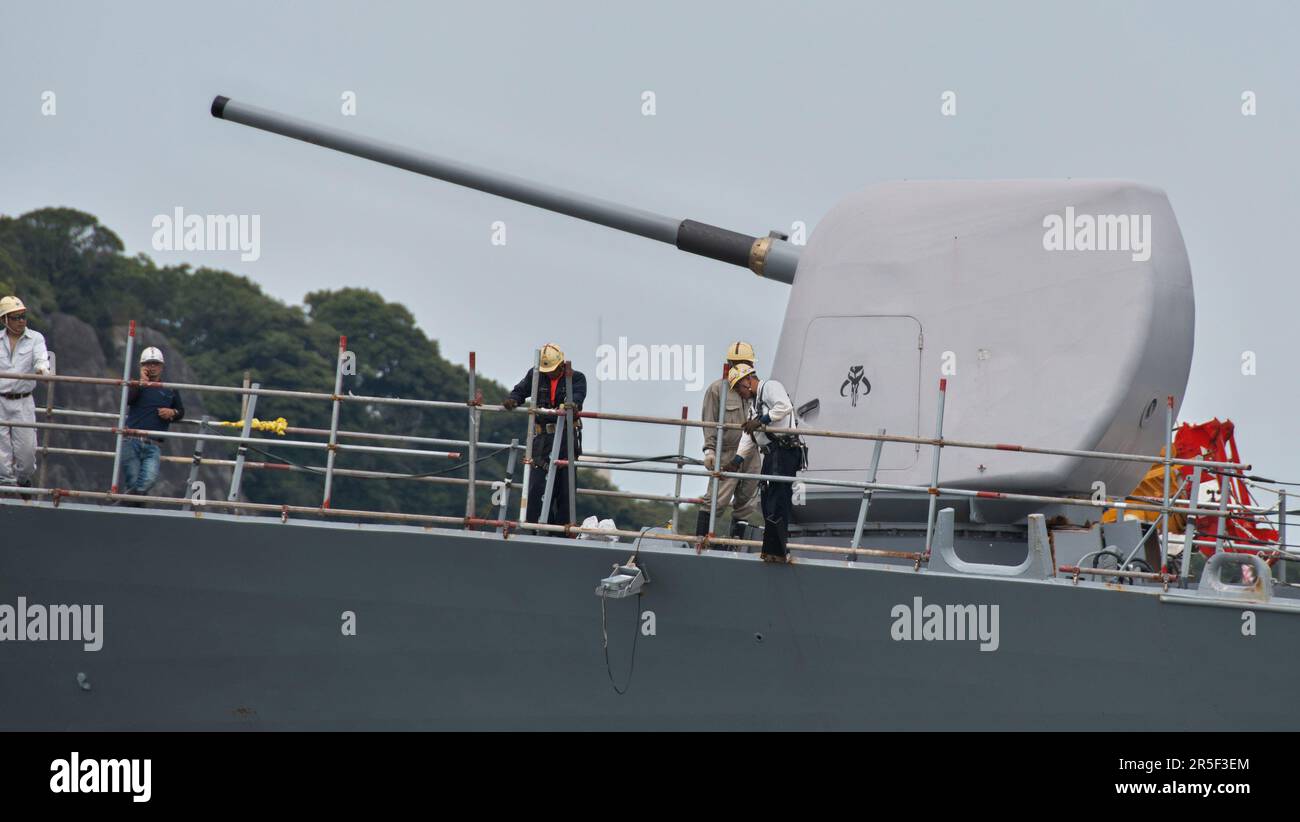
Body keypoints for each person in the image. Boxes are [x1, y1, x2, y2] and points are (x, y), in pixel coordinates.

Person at [501, 343, 586, 532]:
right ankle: (535, 530)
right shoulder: (536, 374)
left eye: (554, 370)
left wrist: (572, 404)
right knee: (536, 488)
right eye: (547, 370)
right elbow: (521, 390)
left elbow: (578, 397)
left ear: (562, 365)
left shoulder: (576, 378)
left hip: (565, 439)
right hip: (541, 440)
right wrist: (513, 399)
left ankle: (563, 533)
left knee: (565, 490)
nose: (550, 373)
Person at [729, 363, 804, 562]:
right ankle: (771, 550)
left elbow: (784, 407)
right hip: (772, 454)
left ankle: (778, 551)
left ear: (748, 380)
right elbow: (749, 433)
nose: (739, 392)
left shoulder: (771, 387)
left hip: (784, 451)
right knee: (768, 498)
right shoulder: (754, 404)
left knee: (778, 499)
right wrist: (738, 459)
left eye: (739, 387)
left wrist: (762, 420)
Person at [697, 341, 761, 544]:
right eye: (738, 362)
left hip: (751, 450)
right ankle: (702, 540)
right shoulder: (718, 390)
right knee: (717, 499)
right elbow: (709, 421)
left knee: (748, 500)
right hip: (727, 452)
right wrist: (709, 451)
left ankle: (736, 543)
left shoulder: (757, 388)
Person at [119, 346, 184, 501]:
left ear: (162, 366)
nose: (152, 367)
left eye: (155, 363)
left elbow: (181, 411)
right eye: (148, 363)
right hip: (131, 440)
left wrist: (172, 413)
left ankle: (127, 502)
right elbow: (127, 401)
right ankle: (135, 509)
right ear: (142, 366)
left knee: (148, 479)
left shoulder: (170, 389)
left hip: (153, 444)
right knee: (132, 480)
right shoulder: (134, 385)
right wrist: (141, 383)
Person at [0, 296, 50, 490]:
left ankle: (22, 480)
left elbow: (41, 359)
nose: (21, 320)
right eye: (15, 317)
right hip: (0, 400)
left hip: (23, 401)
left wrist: (42, 371)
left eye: (23, 316)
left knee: (27, 454)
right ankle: (6, 489)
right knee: (1, 456)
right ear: (5, 320)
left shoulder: (35, 338)